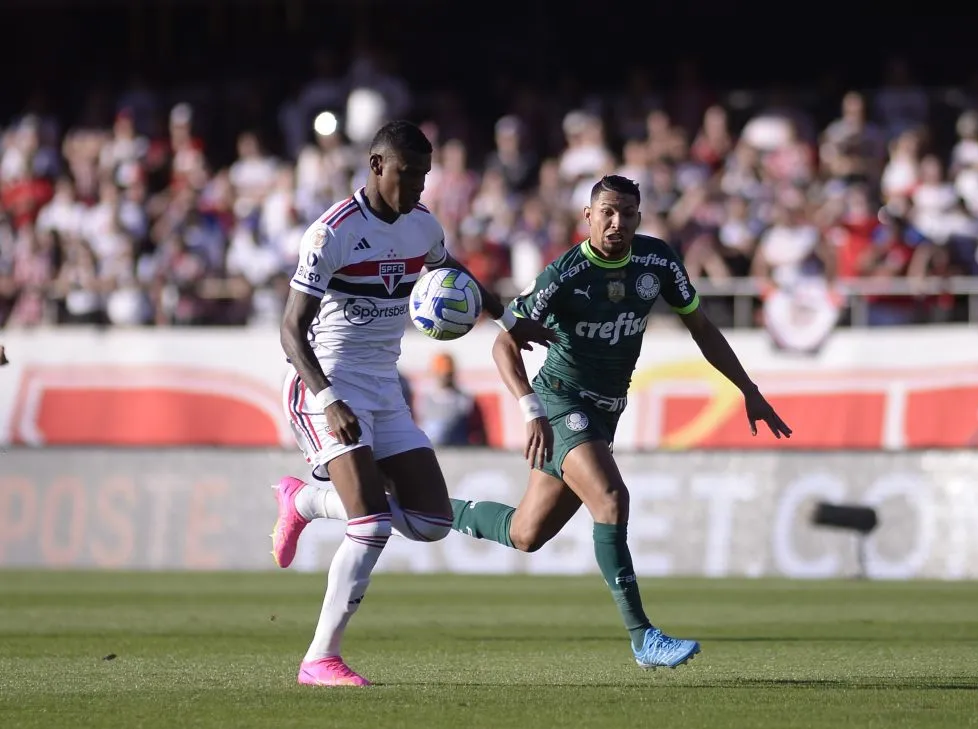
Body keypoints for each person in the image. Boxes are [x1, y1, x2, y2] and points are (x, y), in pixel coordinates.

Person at [449, 175, 792, 670]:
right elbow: (504, 342)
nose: (617, 222)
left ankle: (418, 506)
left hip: (605, 412)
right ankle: (643, 637)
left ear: (639, 217)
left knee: (525, 534)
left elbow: (701, 327)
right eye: (607, 212)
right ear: (587, 216)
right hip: (561, 401)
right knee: (611, 498)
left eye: (627, 213)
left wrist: (749, 389)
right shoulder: (563, 275)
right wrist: (530, 408)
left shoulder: (657, 261)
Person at [274, 120, 555, 687]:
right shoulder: (331, 233)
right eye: (409, 173)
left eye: (425, 175)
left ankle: (305, 502)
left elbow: (453, 275)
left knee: (429, 522)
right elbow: (290, 331)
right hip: (327, 385)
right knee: (372, 523)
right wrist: (327, 398)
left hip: (383, 387)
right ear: (377, 166)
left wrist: (507, 318)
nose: (419, 186)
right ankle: (319, 659)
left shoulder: (421, 227)